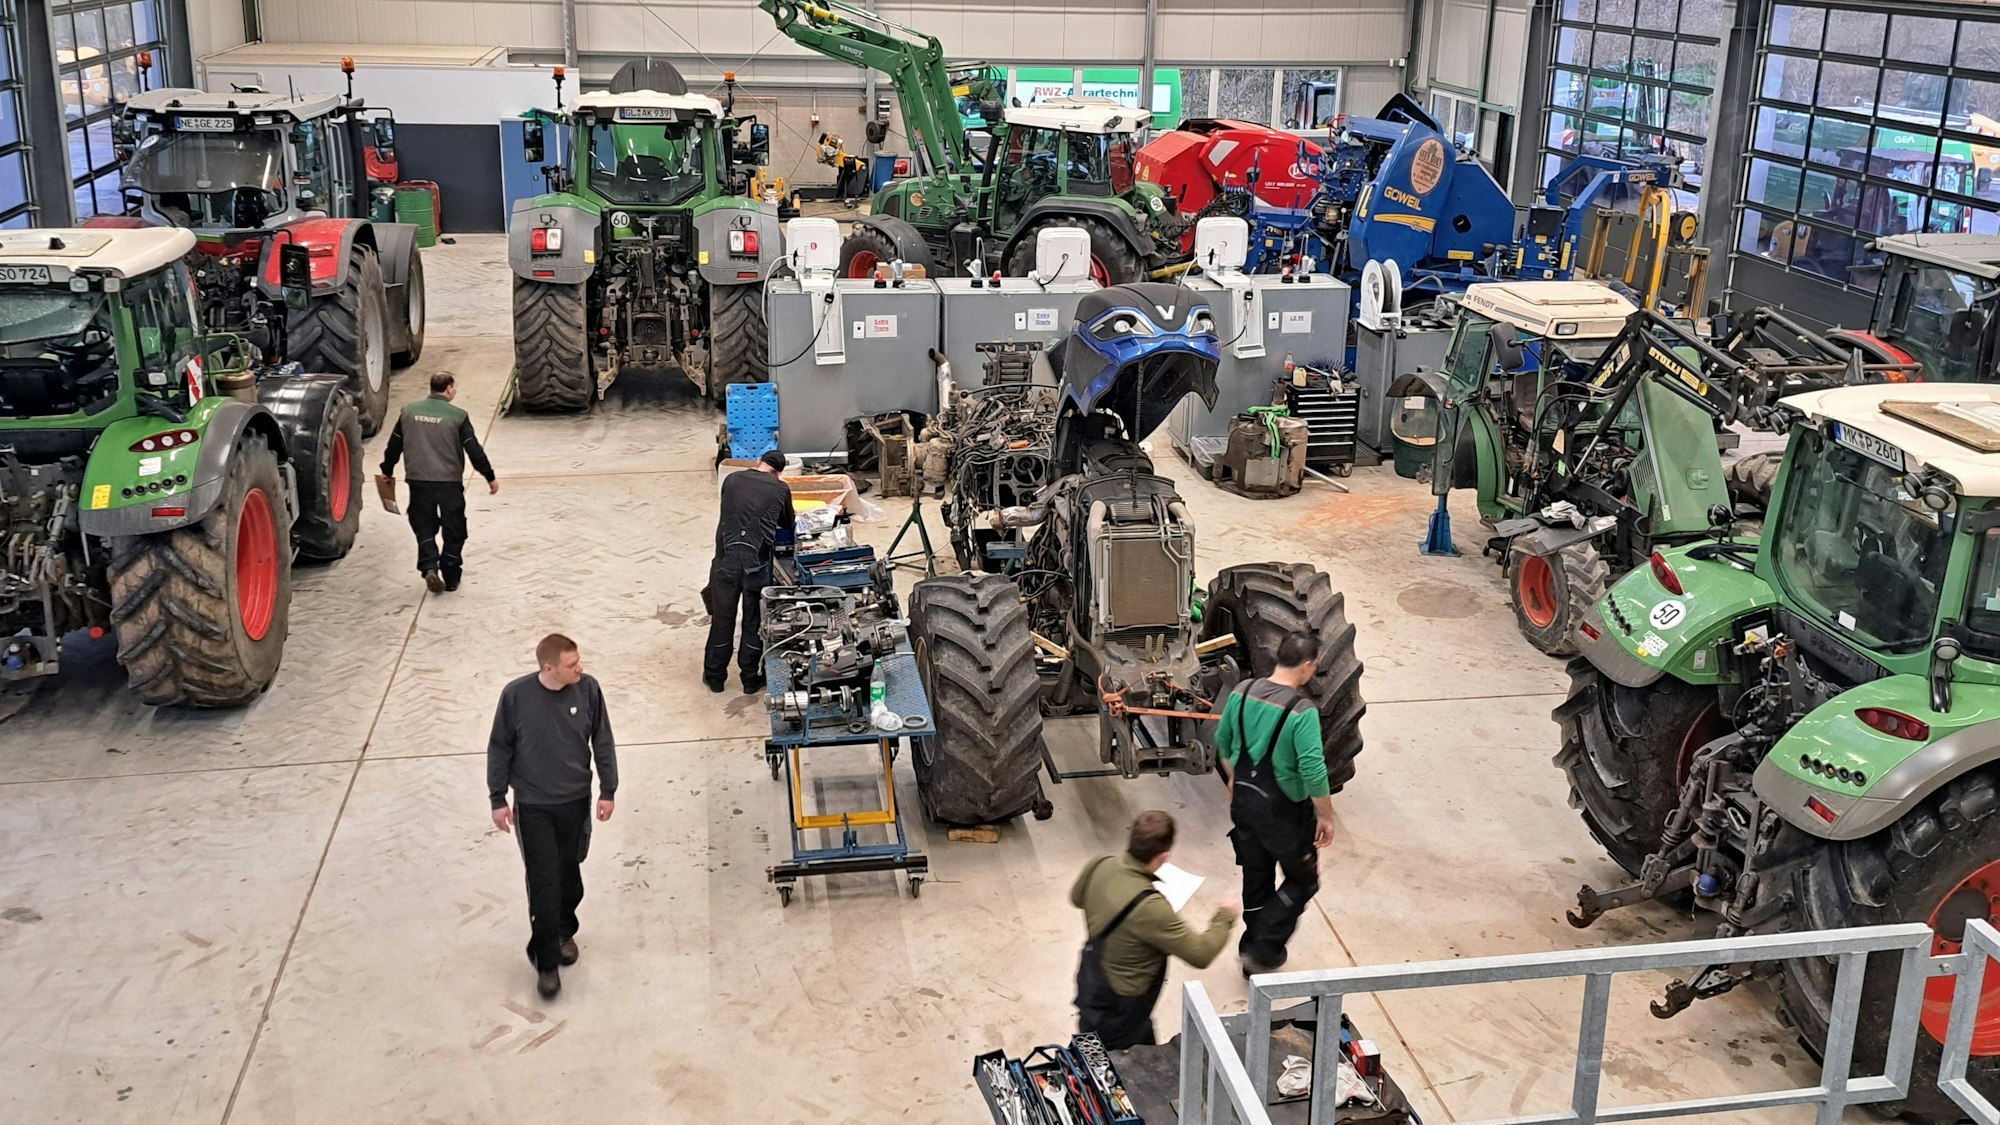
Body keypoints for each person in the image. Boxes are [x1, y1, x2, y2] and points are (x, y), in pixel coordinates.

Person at [487, 634, 618, 1000]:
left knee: (569, 874)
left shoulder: (588, 689)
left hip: (575, 801)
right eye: (571, 665)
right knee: (544, 880)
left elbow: (602, 739)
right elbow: (499, 747)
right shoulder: (516, 696)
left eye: (579, 662)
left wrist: (608, 790)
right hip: (534, 805)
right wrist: (498, 797)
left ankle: (563, 931)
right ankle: (546, 962)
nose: (580, 668)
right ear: (549, 668)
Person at [1217, 631, 1335, 976]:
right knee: (1303, 881)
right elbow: (1313, 770)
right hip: (1284, 815)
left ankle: (1252, 954)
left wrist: (1234, 779)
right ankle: (1260, 949)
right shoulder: (1301, 712)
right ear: (1307, 666)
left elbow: (1222, 742)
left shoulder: (1242, 692)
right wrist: (1326, 816)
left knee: (1257, 876)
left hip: (1243, 804)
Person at [1070, 811, 1239, 1050]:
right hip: (1122, 1006)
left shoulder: (1100, 864)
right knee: (1119, 1061)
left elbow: (1077, 898)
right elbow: (1201, 954)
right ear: (1164, 857)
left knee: (1092, 1040)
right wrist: (1225, 916)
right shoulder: (1150, 907)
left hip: (1092, 982)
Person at [379, 371, 498, 593]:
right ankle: (451, 576)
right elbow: (474, 450)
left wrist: (387, 470)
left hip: (418, 481)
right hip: (448, 483)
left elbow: (394, 444)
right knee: (454, 529)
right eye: (454, 387)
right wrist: (489, 476)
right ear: (449, 388)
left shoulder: (409, 412)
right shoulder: (458, 416)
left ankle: (429, 566)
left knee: (423, 526)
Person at [703, 449, 796, 695]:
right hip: (757, 565)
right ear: (779, 473)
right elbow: (788, 524)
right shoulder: (780, 488)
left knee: (722, 619)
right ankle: (749, 679)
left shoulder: (731, 479)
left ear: (758, 462)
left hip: (725, 562)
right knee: (753, 621)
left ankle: (715, 678)